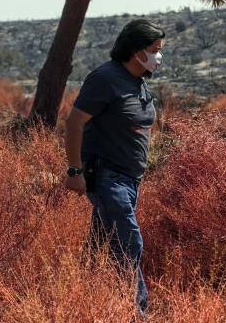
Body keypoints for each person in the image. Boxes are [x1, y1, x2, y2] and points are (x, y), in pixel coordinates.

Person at [62, 19, 165, 318]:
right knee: (129, 240)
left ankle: (86, 303)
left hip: (131, 179)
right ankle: (136, 312)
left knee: (101, 246)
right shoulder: (105, 79)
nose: (159, 56)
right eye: (154, 50)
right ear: (135, 51)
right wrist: (74, 171)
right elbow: (73, 123)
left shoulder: (139, 80)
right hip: (107, 176)